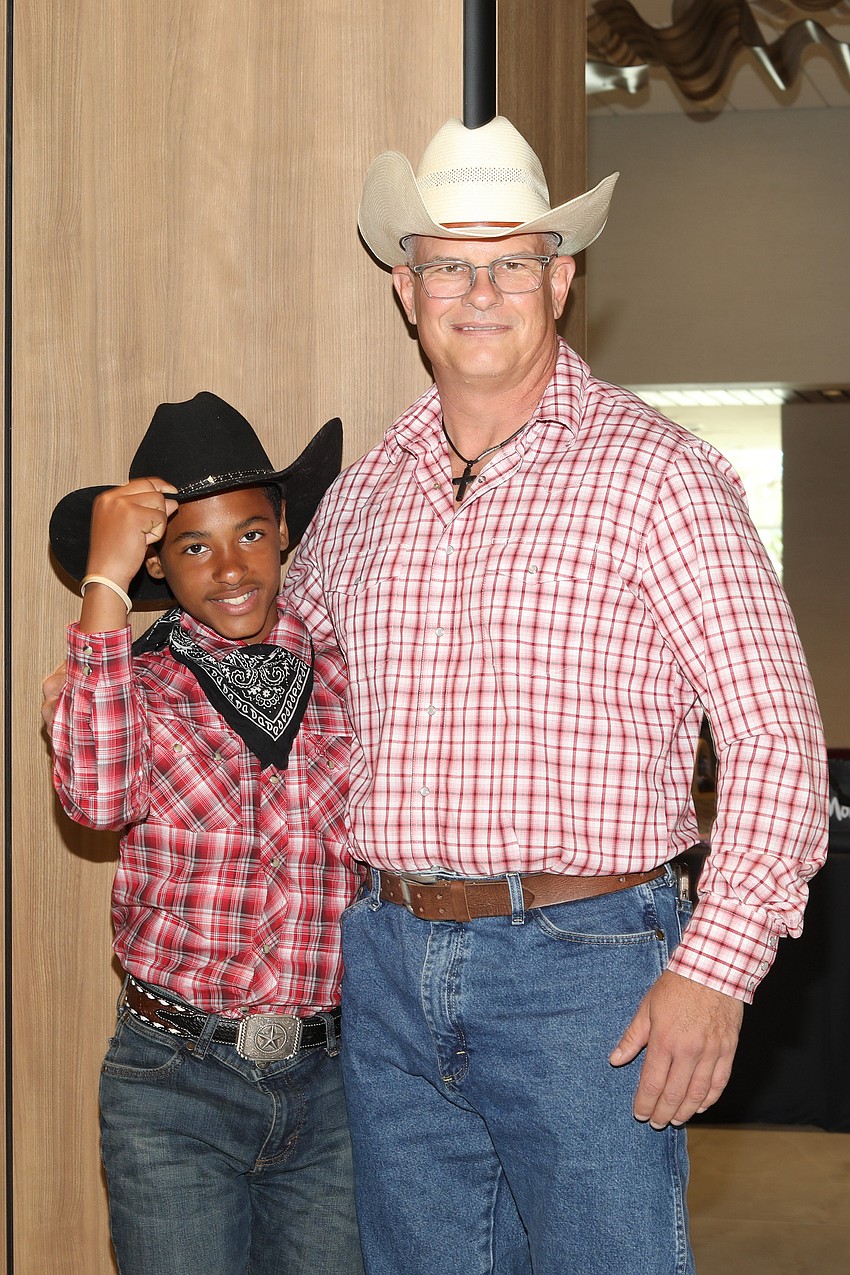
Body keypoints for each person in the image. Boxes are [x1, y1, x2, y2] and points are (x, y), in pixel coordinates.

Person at [282, 116, 828, 1275]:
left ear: (560, 278)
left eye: (512, 260)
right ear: (405, 289)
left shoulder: (660, 475)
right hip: (385, 958)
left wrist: (713, 972)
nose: (479, 290)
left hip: (590, 967)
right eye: (447, 262)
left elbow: (776, 741)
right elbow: (281, 693)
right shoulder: (362, 498)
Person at [47, 393, 364, 1275]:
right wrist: (103, 589)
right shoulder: (133, 684)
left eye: (250, 534)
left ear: (286, 527)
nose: (231, 568)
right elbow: (99, 800)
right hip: (174, 1081)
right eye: (193, 546)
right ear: (159, 561)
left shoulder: (347, 674)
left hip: (334, 1081)